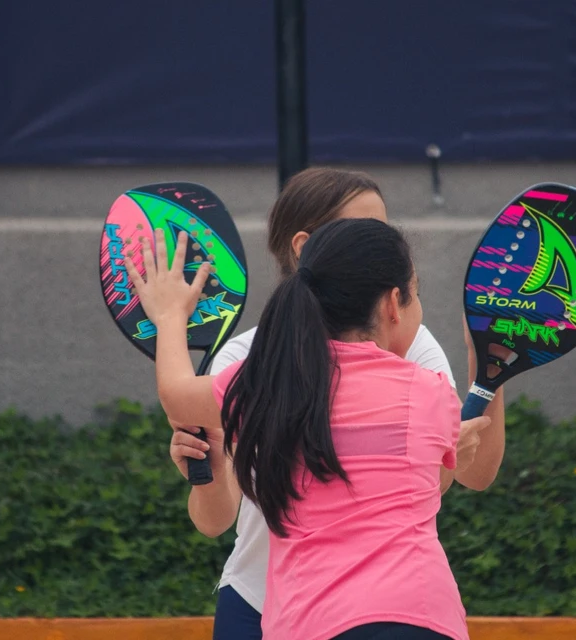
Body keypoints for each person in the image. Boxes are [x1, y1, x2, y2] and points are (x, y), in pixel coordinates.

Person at [169, 168, 504, 638]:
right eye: (363, 229)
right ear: (306, 247)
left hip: (364, 612)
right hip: (257, 604)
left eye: (383, 231)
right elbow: (215, 519)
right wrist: (203, 476)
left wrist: (490, 368)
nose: (379, 242)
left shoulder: (413, 344)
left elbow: (471, 474)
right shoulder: (244, 358)